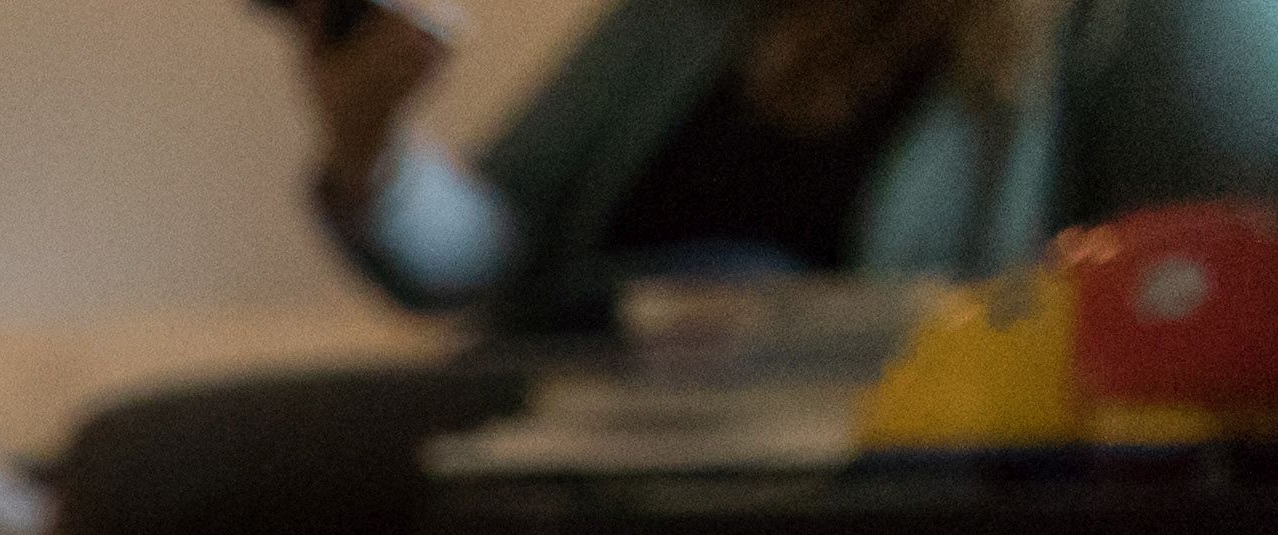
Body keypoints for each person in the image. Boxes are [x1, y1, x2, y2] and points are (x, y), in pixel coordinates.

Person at [292, 0, 1278, 338]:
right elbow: (479, 257)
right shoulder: (686, 19)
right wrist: (368, 142)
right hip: (566, 429)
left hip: (860, 495)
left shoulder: (1118, 25)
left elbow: (1230, 278)